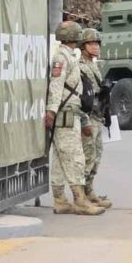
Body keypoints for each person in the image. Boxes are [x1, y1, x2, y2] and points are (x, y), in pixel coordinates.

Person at [46, 20, 105, 216]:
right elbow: (56, 85)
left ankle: (60, 200)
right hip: (66, 114)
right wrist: (51, 110)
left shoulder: (68, 56)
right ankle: (80, 201)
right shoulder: (62, 58)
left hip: (68, 113)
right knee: (75, 158)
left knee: (60, 159)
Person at [77, 28, 112, 209]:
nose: (96, 46)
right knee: (88, 156)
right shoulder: (81, 67)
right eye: (91, 43)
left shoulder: (93, 65)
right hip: (89, 116)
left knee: (97, 155)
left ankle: (89, 190)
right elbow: (84, 96)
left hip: (97, 116)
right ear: (83, 46)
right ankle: (82, 195)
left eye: (97, 43)